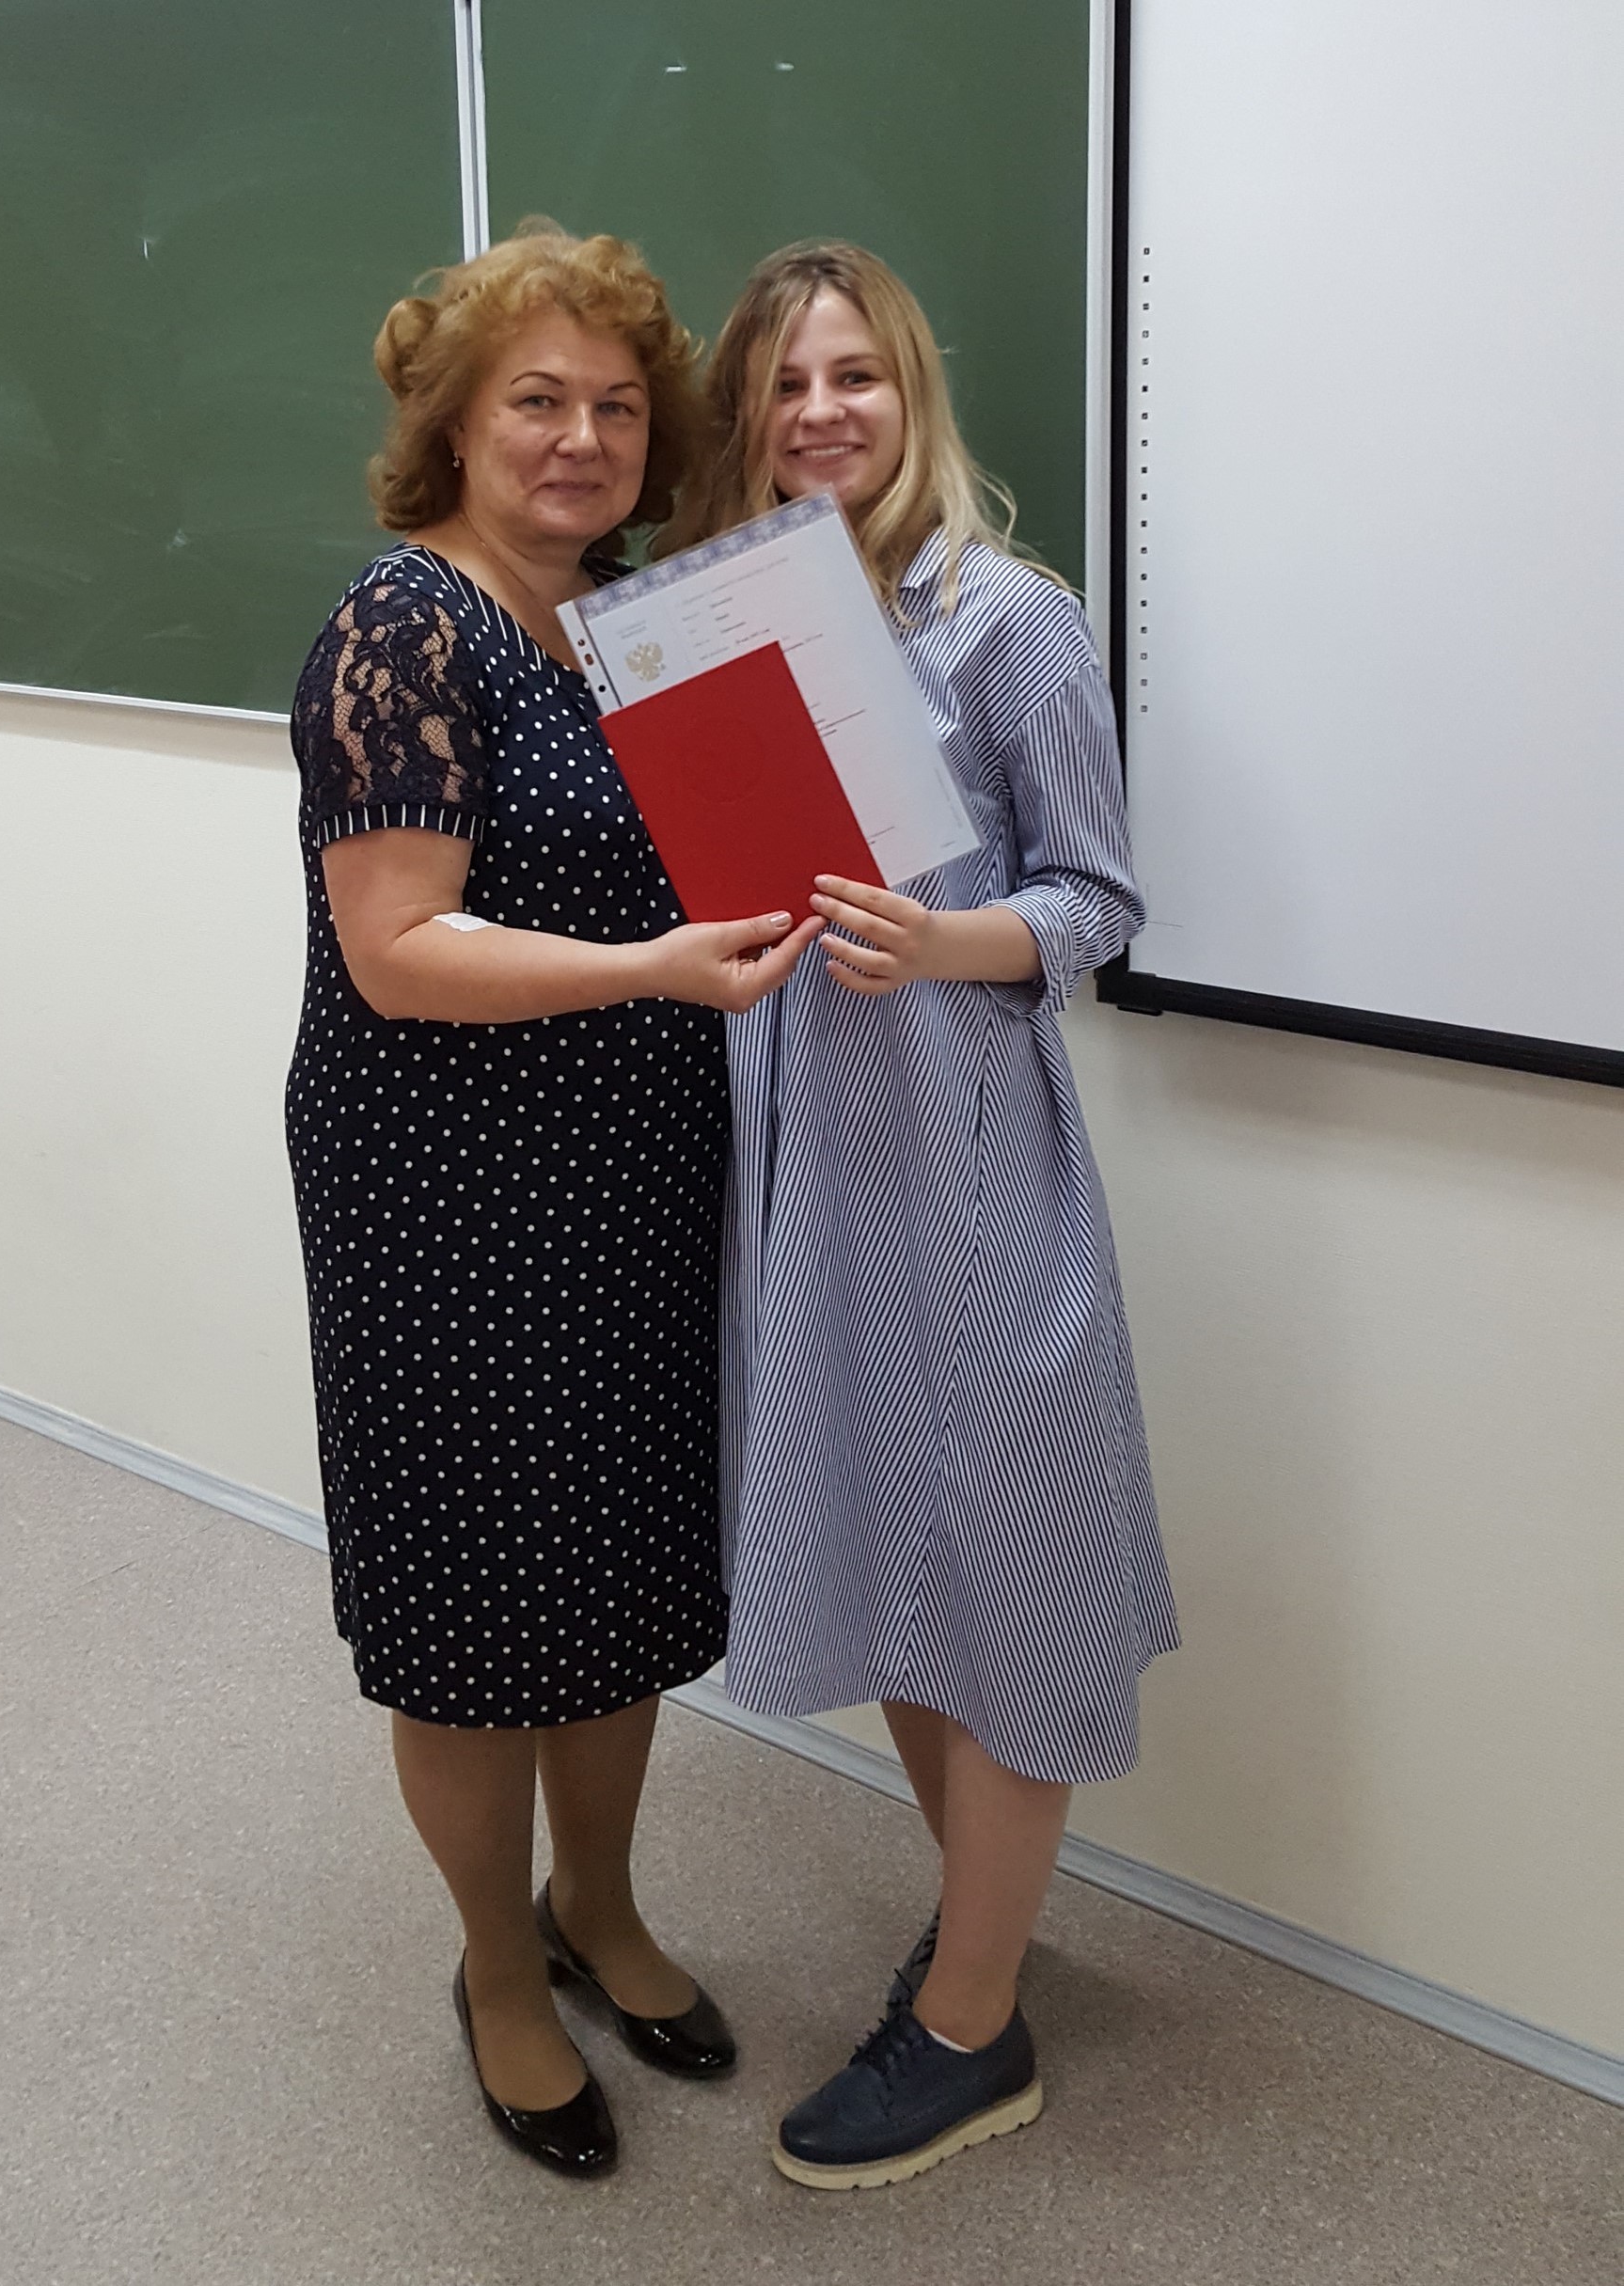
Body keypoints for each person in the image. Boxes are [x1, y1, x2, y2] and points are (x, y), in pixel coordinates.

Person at [284, 223, 817, 2179]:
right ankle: (499, 1965)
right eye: (537, 401)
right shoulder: (403, 627)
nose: (584, 439)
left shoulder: (643, 623)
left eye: (616, 407)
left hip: (636, 1169)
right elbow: (399, 949)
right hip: (443, 1190)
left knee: (617, 1568)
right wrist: (657, 966)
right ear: (454, 422)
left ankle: (599, 1902)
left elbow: (755, 855)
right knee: (470, 1601)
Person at [666, 243, 1179, 2190]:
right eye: (784, 384)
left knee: (1012, 1588)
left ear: (912, 392)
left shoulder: (1007, 620)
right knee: (892, 1553)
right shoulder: (718, 621)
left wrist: (947, 937)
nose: (821, 414)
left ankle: (971, 2029)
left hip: (966, 1179)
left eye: (855, 376)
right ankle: (982, 1936)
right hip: (802, 1178)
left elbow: (1099, 899)